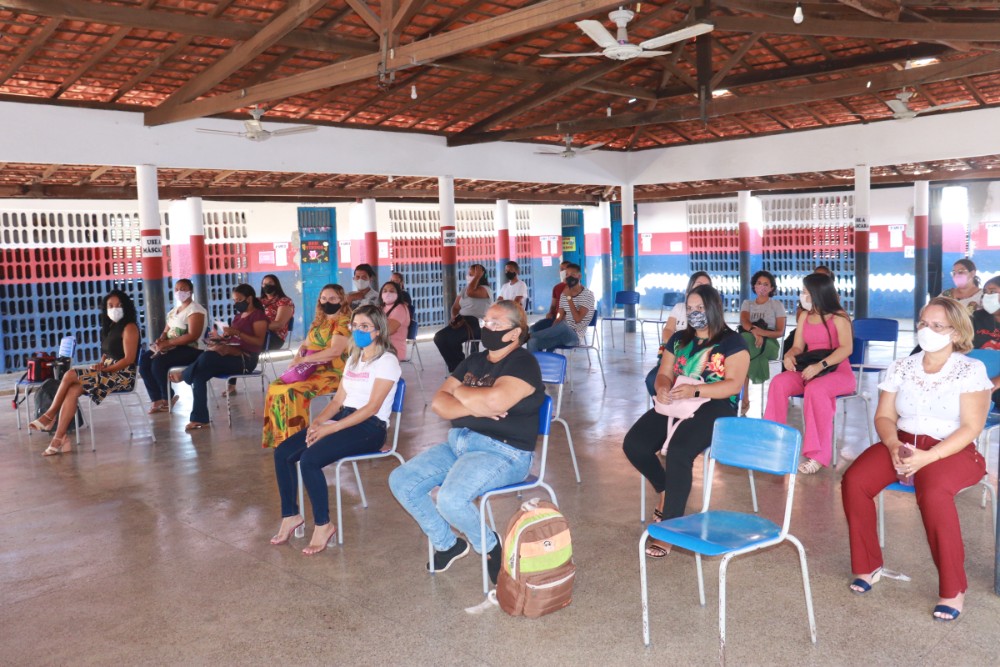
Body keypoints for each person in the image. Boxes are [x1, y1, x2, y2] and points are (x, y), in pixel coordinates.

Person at [842, 297, 991, 622]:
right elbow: (883, 416)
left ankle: (953, 589)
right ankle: (868, 566)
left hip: (952, 449)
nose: (927, 330)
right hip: (904, 442)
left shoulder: (970, 369)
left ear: (955, 332)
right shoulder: (902, 366)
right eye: (924, 323)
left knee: (933, 492)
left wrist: (928, 457)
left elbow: (971, 427)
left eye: (937, 326)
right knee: (855, 481)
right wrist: (894, 445)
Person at [389, 301, 544, 583]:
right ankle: (448, 544)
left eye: (495, 323)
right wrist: (478, 405)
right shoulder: (473, 361)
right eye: (486, 321)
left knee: (450, 499)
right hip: (458, 444)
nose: (486, 327)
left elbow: (495, 400)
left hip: (503, 452)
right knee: (402, 480)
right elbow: (438, 403)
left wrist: (460, 392)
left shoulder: (523, 363)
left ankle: (491, 546)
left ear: (514, 333)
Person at [624, 284, 749, 558]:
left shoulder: (733, 342)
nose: (694, 313)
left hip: (716, 404)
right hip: (679, 399)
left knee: (679, 451)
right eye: (690, 308)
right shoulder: (680, 338)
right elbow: (664, 372)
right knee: (634, 444)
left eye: (700, 308)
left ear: (713, 308)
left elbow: (732, 385)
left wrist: (696, 390)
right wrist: (662, 388)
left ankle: (669, 530)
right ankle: (667, 489)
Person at [270, 305, 402, 555]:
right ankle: (290, 515)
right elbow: (337, 402)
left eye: (365, 327)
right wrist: (318, 423)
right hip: (344, 418)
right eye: (355, 326)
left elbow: (372, 408)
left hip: (370, 428)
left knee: (309, 460)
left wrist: (332, 430)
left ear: (378, 331)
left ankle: (323, 524)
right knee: (283, 452)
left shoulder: (387, 361)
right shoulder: (354, 358)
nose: (358, 331)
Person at [764, 272, 856, 474]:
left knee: (815, 389)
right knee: (779, 383)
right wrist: (789, 356)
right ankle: (774, 441)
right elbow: (798, 346)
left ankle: (818, 455)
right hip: (809, 369)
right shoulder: (805, 316)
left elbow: (846, 348)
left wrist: (821, 365)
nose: (802, 295)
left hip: (837, 371)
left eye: (805, 291)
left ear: (817, 293)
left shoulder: (839, 316)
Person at [29, 290, 140, 456]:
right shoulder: (111, 327)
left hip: (122, 377)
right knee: (72, 390)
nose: (115, 309)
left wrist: (106, 370)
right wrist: (101, 364)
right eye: (111, 306)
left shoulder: (130, 327)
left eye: (119, 305)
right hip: (108, 372)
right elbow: (108, 352)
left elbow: (129, 359)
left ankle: (49, 415)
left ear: (126, 307)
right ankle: (60, 438)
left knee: (70, 375)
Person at [261, 284, 352, 449]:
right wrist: (295, 361)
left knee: (293, 391)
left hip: (332, 371)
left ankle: (297, 439)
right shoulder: (319, 321)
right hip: (310, 368)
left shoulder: (344, 321)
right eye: (324, 298)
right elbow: (304, 345)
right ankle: (281, 439)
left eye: (332, 298)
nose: (327, 302)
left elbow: (335, 351)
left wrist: (303, 362)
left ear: (341, 300)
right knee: (275, 386)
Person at [171, 284, 267, 431]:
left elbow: (258, 342)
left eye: (239, 299)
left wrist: (237, 333)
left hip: (246, 360)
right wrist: (220, 339)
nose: (236, 303)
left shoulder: (258, 316)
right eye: (234, 300)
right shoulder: (237, 317)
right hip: (231, 355)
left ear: (249, 299)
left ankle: (183, 375)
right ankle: (199, 419)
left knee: (207, 357)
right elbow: (234, 340)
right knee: (199, 374)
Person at [139, 279, 206, 414]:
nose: (179, 291)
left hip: (191, 349)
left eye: (183, 288)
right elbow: (166, 330)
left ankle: (167, 397)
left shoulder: (195, 310)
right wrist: (161, 339)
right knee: (145, 361)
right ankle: (156, 399)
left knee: (158, 363)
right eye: (176, 289)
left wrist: (168, 343)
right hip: (173, 347)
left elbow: (193, 335)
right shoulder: (174, 311)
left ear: (190, 291)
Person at [645, 271, 712, 396]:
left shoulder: (712, 311)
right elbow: (668, 330)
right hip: (675, 356)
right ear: (690, 287)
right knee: (652, 379)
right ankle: (666, 407)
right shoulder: (679, 308)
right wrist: (677, 349)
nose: (702, 288)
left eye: (706, 285)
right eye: (699, 284)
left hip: (698, 362)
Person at [227, 274, 294, 394]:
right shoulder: (258, 301)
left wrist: (256, 326)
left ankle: (247, 367)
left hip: (274, 337)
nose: (266, 286)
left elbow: (279, 324)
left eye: (269, 283)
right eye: (263, 284)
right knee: (234, 343)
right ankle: (232, 384)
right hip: (256, 335)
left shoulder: (284, 301)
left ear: (276, 284)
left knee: (243, 344)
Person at [739, 270, 786, 415]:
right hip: (751, 340)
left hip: (770, 344)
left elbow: (780, 332)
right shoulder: (747, 303)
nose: (762, 287)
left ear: (772, 288)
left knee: (742, 353)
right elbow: (744, 321)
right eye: (759, 283)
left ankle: (743, 398)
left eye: (766, 284)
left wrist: (761, 334)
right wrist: (754, 331)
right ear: (754, 286)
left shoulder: (776, 305)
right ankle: (744, 397)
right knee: (745, 343)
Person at [433, 263, 492, 372]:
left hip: (476, 324)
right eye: (469, 274)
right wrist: (454, 317)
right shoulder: (465, 289)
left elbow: (471, 292)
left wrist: (477, 277)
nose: (469, 276)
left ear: (480, 275)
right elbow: (455, 306)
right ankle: (456, 368)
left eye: (472, 274)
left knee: (452, 340)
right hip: (462, 320)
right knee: (439, 337)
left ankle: (460, 369)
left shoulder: (485, 289)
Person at [526, 263, 595, 352]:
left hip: (574, 337)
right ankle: (537, 364)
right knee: (532, 342)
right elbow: (559, 317)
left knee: (563, 325)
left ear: (579, 276)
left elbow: (577, 319)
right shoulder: (564, 293)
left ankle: (528, 336)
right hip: (559, 334)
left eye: (573, 275)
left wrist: (569, 298)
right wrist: (553, 328)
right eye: (567, 275)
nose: (569, 277)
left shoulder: (588, 295)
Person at [782, 265, 834, 356]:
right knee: (788, 344)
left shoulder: (834, 301)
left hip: (824, 343)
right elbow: (799, 320)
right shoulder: (807, 300)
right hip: (807, 330)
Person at [530, 260, 570, 333]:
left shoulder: (575, 288)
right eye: (561, 269)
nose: (563, 271)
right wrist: (550, 312)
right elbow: (553, 305)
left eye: (565, 269)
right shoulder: (557, 287)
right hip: (555, 318)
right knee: (533, 329)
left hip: (567, 321)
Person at [379, 280, 411, 361]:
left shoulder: (400, 308)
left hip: (393, 349)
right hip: (380, 346)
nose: (388, 293)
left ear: (398, 294)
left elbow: (388, 330)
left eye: (392, 291)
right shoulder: (381, 308)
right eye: (385, 291)